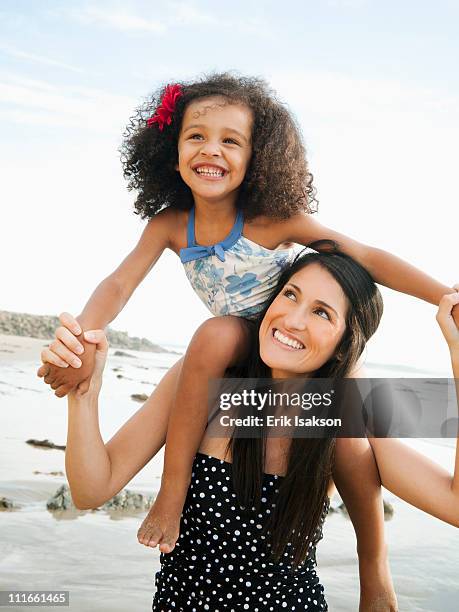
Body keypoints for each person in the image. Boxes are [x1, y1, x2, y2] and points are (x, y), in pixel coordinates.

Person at [38, 72, 458, 559]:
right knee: (215, 337)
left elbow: (365, 256)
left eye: (231, 141)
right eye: (196, 135)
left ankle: (375, 565)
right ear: (170, 150)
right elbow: (117, 284)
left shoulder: (273, 221)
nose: (211, 150)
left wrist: (445, 298)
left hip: (287, 349)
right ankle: (171, 495)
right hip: (238, 344)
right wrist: (81, 342)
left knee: (353, 419)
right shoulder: (171, 225)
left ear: (256, 160)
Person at [64, 249, 459, 611]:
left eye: (322, 313)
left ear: (343, 346)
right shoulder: (202, 383)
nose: (293, 319)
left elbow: (450, 507)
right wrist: (85, 395)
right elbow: (90, 489)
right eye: (290, 295)